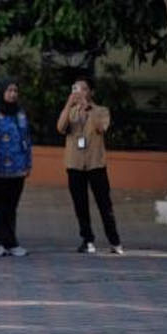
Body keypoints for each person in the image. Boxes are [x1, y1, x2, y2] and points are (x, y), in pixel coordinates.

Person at [57, 78, 120, 255]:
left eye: (84, 89)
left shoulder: (101, 111)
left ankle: (114, 241)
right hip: (75, 164)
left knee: (104, 204)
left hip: (95, 164)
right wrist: (69, 104)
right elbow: (60, 128)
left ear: (90, 92)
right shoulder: (71, 112)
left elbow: (101, 128)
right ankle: (87, 239)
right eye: (77, 89)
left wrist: (88, 108)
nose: (80, 93)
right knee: (80, 204)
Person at [0, 79, 32, 258]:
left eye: (15, 90)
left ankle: (11, 242)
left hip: (18, 168)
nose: (13, 94)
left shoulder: (19, 113)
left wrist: (28, 163)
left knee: (11, 206)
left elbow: (26, 138)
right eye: (9, 90)